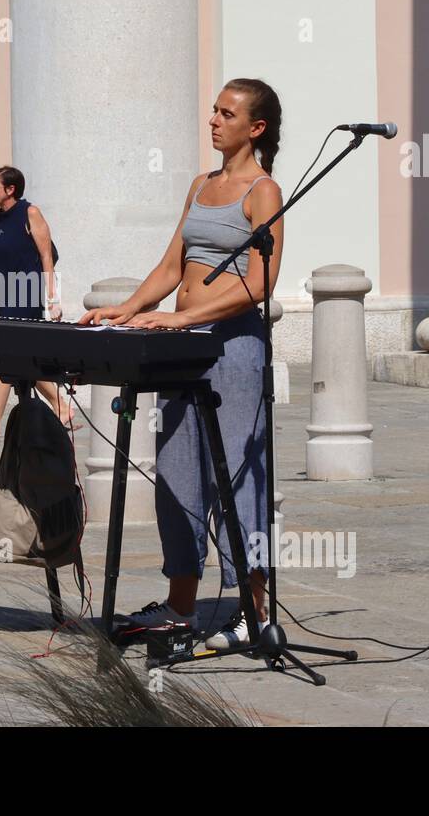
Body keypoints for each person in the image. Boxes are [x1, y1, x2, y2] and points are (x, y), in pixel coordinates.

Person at [79, 78, 283, 650]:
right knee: (176, 474)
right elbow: (172, 267)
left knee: (238, 479)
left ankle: (253, 612)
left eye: (227, 114)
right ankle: (181, 605)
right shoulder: (201, 185)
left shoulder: (262, 191)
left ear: (255, 128)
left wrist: (182, 318)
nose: (214, 121)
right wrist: (128, 308)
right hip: (182, 348)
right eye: (214, 111)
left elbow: (261, 282)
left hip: (234, 349)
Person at [0, 165, 78, 438]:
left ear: (10, 189)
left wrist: (53, 298)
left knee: (6, 356)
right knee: (20, 359)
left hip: (27, 295)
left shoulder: (30, 213)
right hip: (5, 295)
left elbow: (46, 256)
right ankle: (61, 405)